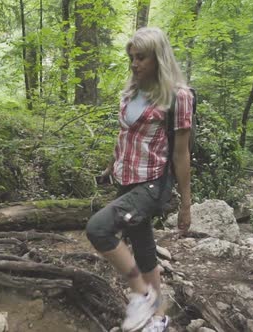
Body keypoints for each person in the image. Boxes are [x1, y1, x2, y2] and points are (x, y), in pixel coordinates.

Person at [85, 27, 193, 332]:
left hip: (152, 183)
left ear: (159, 58)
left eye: (141, 57)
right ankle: (157, 319)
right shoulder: (131, 91)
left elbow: (182, 154)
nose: (135, 64)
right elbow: (125, 136)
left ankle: (141, 296)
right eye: (132, 57)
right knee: (144, 247)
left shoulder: (178, 96)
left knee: (99, 229)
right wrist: (111, 166)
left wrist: (186, 205)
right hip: (126, 177)